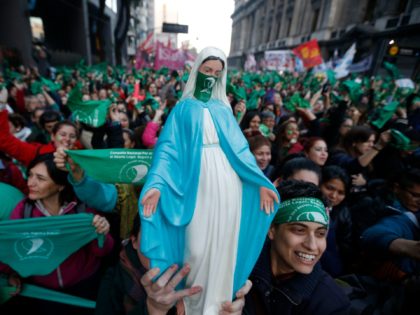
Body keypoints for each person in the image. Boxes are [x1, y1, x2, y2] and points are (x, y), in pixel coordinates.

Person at [138, 47, 279, 314]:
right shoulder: (182, 109)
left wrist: (260, 182)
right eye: (207, 70)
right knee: (197, 245)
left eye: (217, 72)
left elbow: (240, 150)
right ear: (197, 70)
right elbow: (167, 150)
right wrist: (156, 185)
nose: (212, 76)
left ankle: (217, 302)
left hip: (229, 185)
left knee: (225, 240)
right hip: (195, 183)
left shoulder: (223, 109)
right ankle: (191, 303)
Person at [7, 153, 114, 315]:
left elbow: (102, 251)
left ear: (60, 185)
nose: (31, 183)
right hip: (43, 292)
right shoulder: (23, 210)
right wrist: (12, 273)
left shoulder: (81, 209)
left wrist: (102, 233)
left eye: (40, 178)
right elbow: (13, 249)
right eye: (30, 175)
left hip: (84, 287)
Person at [95, 214, 252, 315]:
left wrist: (232, 307)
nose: (162, 248)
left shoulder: (208, 274)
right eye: (152, 234)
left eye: (172, 236)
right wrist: (154, 310)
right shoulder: (114, 281)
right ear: (134, 241)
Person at [244, 179, 351, 314]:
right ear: (271, 229)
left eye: (320, 234)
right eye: (299, 230)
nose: (312, 246)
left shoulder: (331, 304)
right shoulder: (238, 270)